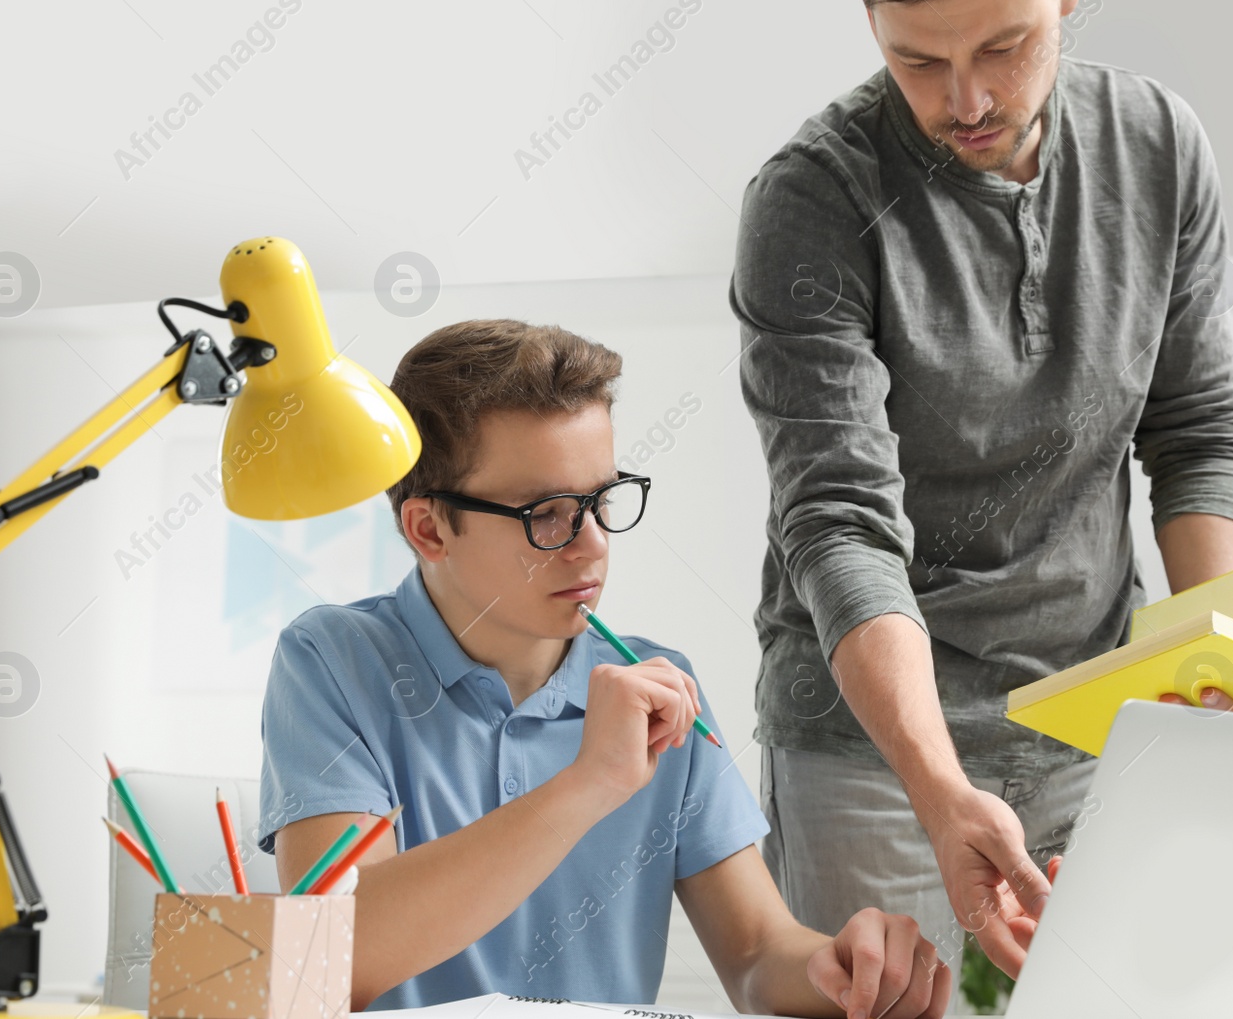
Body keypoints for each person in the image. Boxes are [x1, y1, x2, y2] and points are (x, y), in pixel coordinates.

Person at [728, 0, 1233, 982]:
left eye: (1002, 48)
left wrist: (1215, 655)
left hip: (1102, 724)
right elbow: (839, 521)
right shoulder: (813, 199)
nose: (964, 100)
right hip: (876, 760)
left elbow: (1196, 429)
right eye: (916, 59)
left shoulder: (1157, 144)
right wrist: (937, 787)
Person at [259, 320, 951, 1019]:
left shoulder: (661, 684)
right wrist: (589, 783)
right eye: (546, 514)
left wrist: (844, 971)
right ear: (429, 528)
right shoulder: (330, 661)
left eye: (601, 500)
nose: (591, 546)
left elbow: (755, 953)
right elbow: (333, 962)